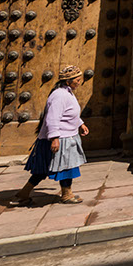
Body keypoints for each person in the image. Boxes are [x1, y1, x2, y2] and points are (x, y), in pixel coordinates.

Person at [10, 65, 89, 206]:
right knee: (66, 168)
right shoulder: (60, 95)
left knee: (45, 169)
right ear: (68, 81)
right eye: (77, 80)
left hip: (66, 136)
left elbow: (69, 113)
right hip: (61, 139)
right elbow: (53, 118)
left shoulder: (67, 92)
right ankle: (66, 195)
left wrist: (80, 124)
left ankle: (23, 193)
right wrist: (54, 139)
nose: (79, 82)